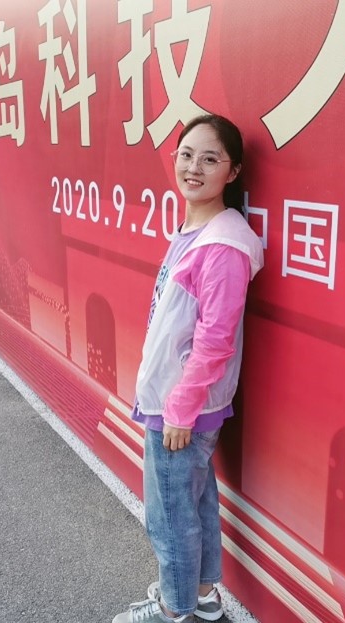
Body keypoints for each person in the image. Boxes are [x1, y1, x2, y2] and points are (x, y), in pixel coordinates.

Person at [113, 115, 264, 623]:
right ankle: (200, 597)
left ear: (233, 171)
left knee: (170, 517)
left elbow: (216, 339)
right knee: (195, 505)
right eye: (186, 154)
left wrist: (179, 410)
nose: (194, 167)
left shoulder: (223, 246)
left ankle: (173, 610)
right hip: (182, 402)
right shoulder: (199, 232)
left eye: (210, 159)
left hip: (183, 408)